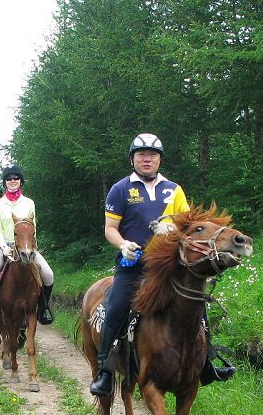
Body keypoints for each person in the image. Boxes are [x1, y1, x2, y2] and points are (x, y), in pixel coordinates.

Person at [89, 133, 236, 397]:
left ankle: (206, 363)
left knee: (197, 306)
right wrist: (123, 245)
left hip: (168, 267)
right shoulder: (120, 189)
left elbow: (186, 227)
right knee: (115, 309)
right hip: (133, 266)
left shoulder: (173, 189)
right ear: (132, 159)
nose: (147, 159)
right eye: (142, 154)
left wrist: (172, 230)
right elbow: (110, 229)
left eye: (153, 155)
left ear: (159, 159)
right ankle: (105, 371)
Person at [0, 165, 54, 326]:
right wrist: (4, 247)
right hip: (5, 247)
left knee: (48, 275)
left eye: (16, 178)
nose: (12, 181)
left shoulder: (29, 203)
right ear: (5, 182)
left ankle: (43, 309)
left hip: (26, 248)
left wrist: (32, 247)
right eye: (9, 179)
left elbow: (33, 227)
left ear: (21, 181)